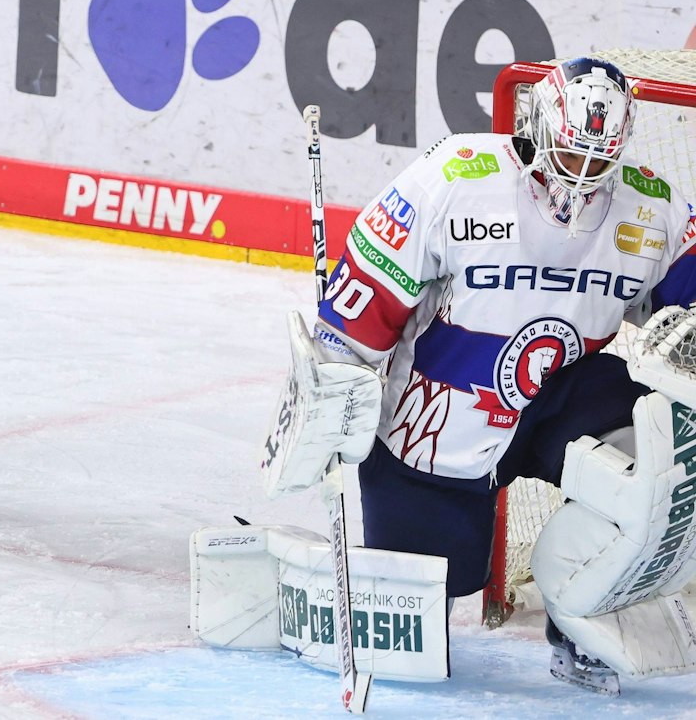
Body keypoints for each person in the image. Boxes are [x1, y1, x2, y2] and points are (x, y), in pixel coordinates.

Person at [261, 58, 696, 692]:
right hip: (440, 412)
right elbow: (364, 299)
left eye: (597, 160)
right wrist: (334, 380)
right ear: (539, 127)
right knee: (426, 600)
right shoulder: (456, 177)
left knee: (663, 452)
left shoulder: (649, 207)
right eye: (569, 153)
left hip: (562, 395)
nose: (580, 175)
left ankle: (585, 620)